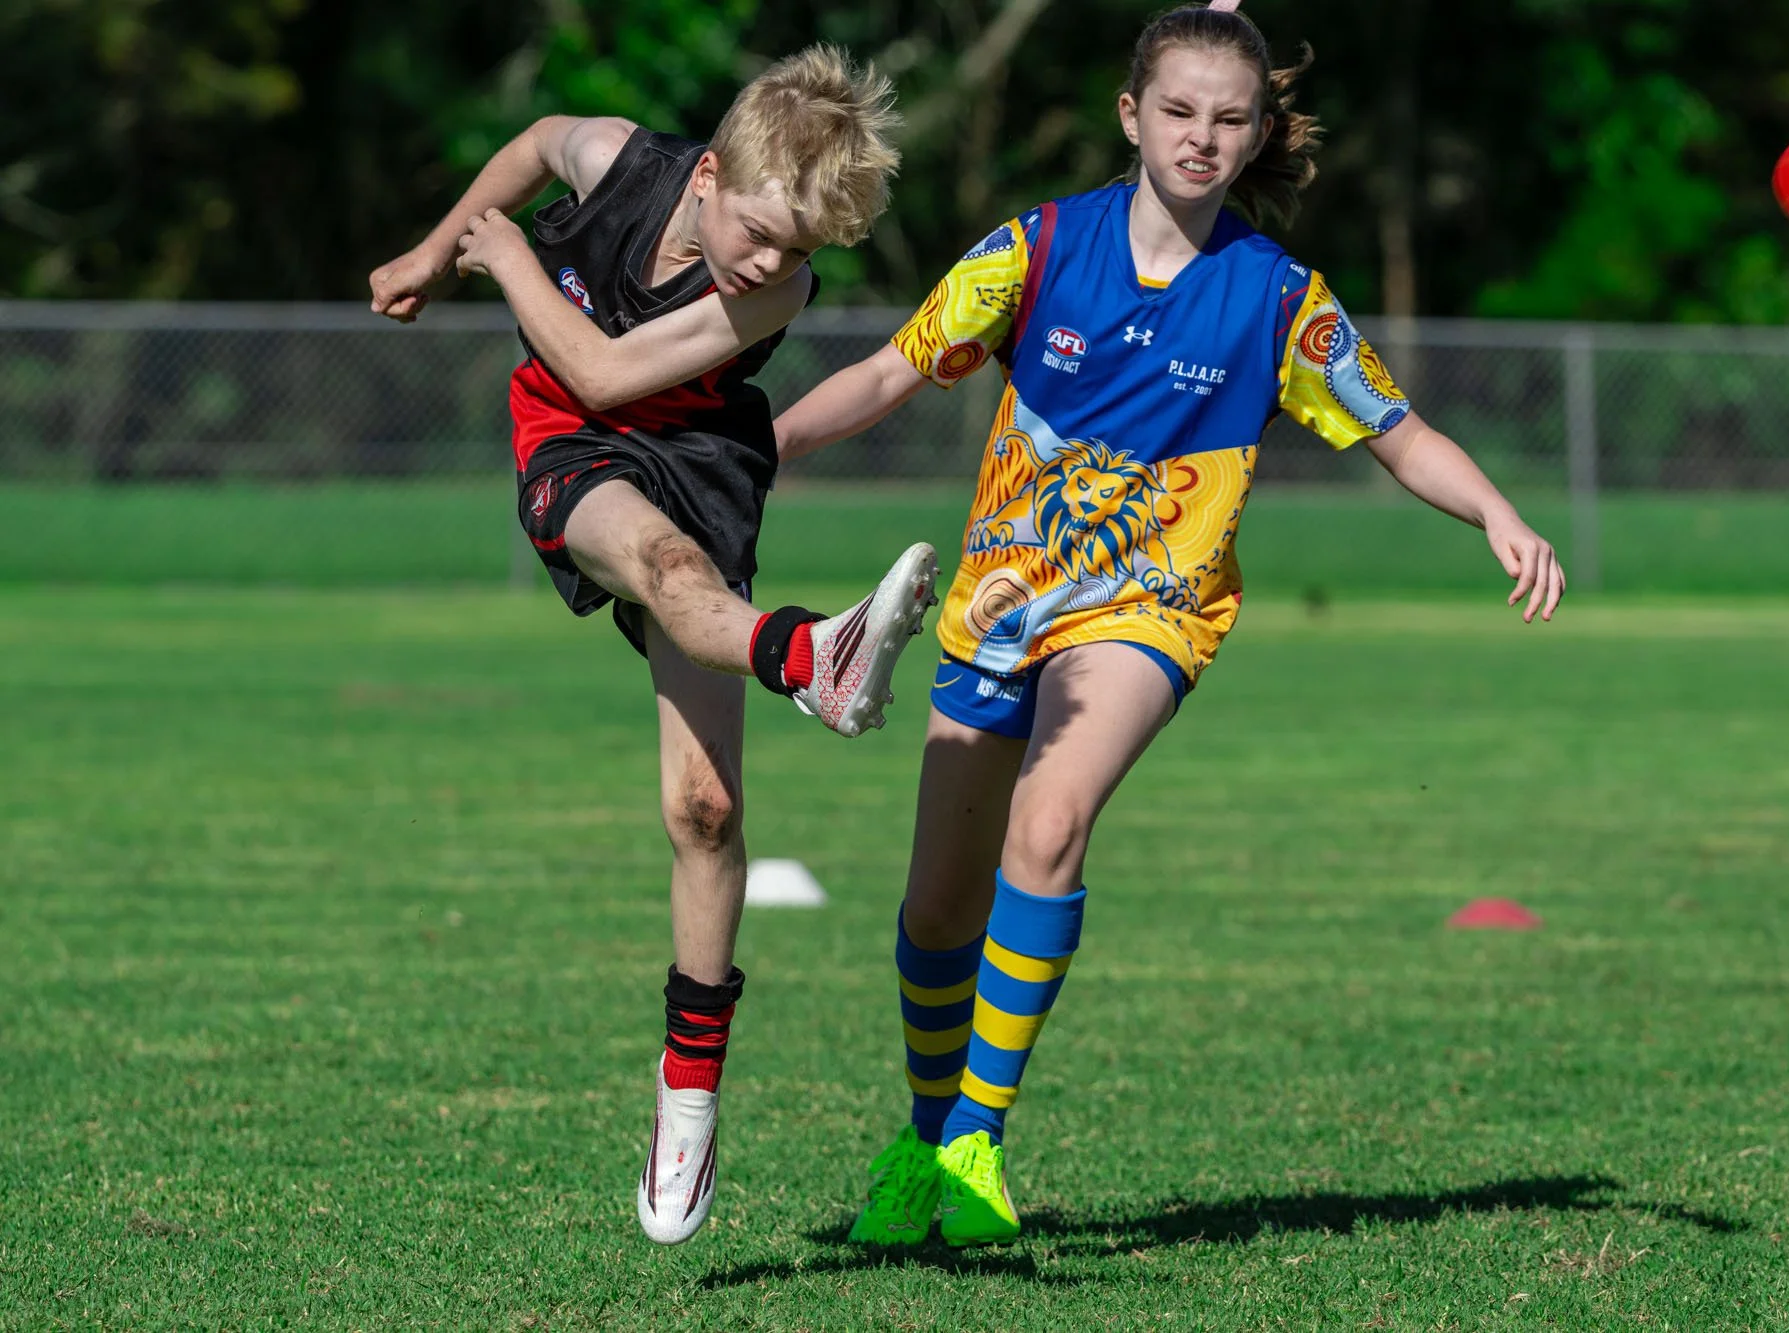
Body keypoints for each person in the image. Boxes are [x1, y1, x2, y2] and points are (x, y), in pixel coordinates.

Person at [773, 3, 1565, 1248]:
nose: (1202, 137)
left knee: (1051, 819)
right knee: (936, 910)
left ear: (1255, 139)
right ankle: (926, 1145)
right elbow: (885, 373)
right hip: (999, 601)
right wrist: (751, 451)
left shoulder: (1276, 299)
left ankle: (978, 1137)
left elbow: (1397, 429)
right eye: (1180, 110)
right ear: (1131, 115)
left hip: (1151, 608)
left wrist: (1498, 514)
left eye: (1229, 118)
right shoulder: (1032, 250)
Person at [366, 45, 938, 1246]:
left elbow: (610, 364)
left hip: (698, 455)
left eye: (800, 251)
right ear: (712, 172)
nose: (774, 265)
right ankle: (811, 660)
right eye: (764, 232)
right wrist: (435, 248)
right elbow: (530, 153)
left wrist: (505, 254)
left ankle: (687, 1097)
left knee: (705, 810)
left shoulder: (775, 294)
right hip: (570, 447)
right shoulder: (618, 157)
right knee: (668, 573)